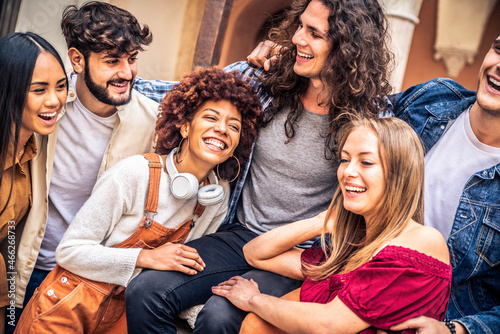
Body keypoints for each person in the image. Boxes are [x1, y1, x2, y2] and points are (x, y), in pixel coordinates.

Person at [127, 0, 393, 332]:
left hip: (300, 252)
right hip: (238, 233)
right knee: (146, 291)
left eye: (314, 33)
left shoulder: (372, 117)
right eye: (300, 26)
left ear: (347, 48)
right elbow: (185, 96)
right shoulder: (263, 78)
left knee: (219, 316)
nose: (298, 38)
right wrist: (95, 84)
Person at [13, 66, 262, 333]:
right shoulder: (134, 173)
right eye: (211, 118)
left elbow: (181, 278)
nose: (222, 129)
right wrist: (145, 258)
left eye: (233, 126)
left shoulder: (215, 199)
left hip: (124, 320)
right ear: (186, 127)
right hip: (66, 311)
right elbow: (70, 252)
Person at [213, 116, 452, 334]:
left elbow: (329, 324)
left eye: (366, 162)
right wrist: (321, 222)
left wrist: (253, 299)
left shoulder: (422, 240)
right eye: (345, 159)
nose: (348, 171)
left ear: (400, 174)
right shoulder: (355, 249)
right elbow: (256, 254)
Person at [7, 2, 159, 332]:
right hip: (26, 269)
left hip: (93, 283)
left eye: (131, 59)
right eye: (112, 61)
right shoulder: (48, 105)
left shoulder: (152, 123)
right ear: (77, 59)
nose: (127, 72)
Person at [376, 33, 500, 334]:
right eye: (499, 50)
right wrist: (282, 59)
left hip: (434, 317)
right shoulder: (435, 98)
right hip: (361, 275)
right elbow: (360, 106)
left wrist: (453, 330)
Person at [0, 32, 67, 334]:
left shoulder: (31, 154)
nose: (54, 100)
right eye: (39, 90)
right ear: (9, 89)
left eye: (61, 87)